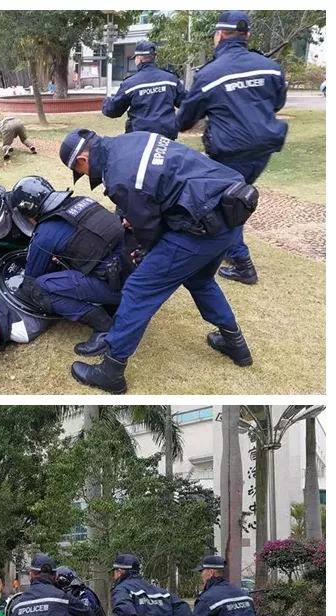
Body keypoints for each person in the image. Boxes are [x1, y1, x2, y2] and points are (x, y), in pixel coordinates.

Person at [59, 127, 257, 394]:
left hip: (202, 227)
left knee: (138, 289)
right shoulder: (133, 139)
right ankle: (236, 345)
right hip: (229, 211)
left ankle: (111, 371)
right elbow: (162, 186)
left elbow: (149, 229)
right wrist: (138, 216)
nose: (83, 176)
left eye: (79, 172)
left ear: (82, 160)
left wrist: (145, 249)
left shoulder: (119, 177)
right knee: (199, 280)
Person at [177, 11, 288, 285]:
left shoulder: (211, 74)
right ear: (247, 36)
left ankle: (242, 264)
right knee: (233, 199)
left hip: (230, 152)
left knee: (227, 205)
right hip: (262, 151)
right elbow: (277, 103)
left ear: (218, 36)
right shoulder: (270, 67)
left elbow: (186, 119)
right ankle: (230, 250)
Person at [9, 175, 134, 355]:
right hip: (137, 274)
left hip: (121, 288)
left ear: (28, 212)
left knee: (38, 289)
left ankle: (103, 327)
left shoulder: (44, 234)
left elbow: (31, 280)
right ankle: (112, 305)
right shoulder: (83, 201)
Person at [102, 40, 185, 139]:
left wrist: (106, 102)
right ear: (155, 58)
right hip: (167, 135)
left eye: (135, 58)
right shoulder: (171, 79)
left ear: (139, 58)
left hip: (140, 137)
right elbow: (186, 102)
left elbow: (114, 111)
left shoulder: (130, 83)